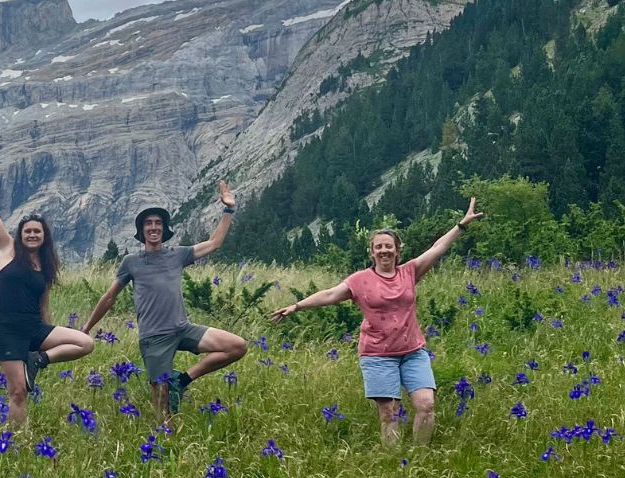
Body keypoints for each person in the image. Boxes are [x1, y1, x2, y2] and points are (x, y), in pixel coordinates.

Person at [270, 198, 485, 447]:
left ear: (397, 250)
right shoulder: (360, 280)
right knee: (389, 413)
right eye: (379, 247)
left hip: (413, 352)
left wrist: (461, 225)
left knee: (426, 404)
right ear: (372, 252)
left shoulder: (410, 271)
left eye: (389, 246)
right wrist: (297, 306)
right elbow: (329, 294)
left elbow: (437, 248)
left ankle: (419, 457)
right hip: (377, 354)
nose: (384, 250)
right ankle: (395, 461)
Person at [84, 182, 247, 416]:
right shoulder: (131, 262)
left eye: (158, 223)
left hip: (182, 328)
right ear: (142, 230)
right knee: (162, 407)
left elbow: (214, 243)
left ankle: (182, 381)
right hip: (154, 337)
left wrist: (228, 210)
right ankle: (165, 444)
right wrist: (87, 327)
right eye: (149, 223)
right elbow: (110, 297)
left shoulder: (177, 254)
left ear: (164, 228)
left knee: (236, 346)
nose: (153, 227)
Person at [0, 159, 93, 425]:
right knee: (18, 392)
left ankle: (38, 360)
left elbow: (43, 303)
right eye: (27, 231)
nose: (32, 235)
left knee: (85, 343)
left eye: (37, 231)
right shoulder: (8, 250)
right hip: (7, 329)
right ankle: (17, 442)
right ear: (20, 234)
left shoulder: (46, 265)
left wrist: (46, 339)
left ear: (44, 236)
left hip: (35, 327)